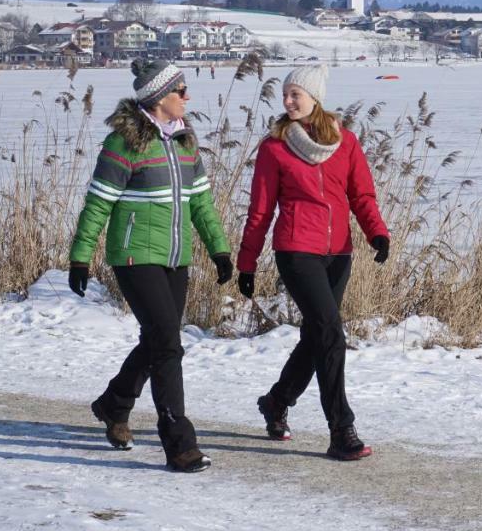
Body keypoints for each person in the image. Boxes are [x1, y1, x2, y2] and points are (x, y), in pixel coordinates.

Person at [68, 59, 232, 473]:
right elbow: (98, 203)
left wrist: (219, 250)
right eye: (180, 90)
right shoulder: (124, 143)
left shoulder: (185, 143)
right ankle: (179, 443)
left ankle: (114, 404)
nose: (187, 97)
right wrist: (80, 257)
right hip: (133, 256)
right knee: (168, 344)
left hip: (175, 257)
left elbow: (201, 204)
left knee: (159, 341)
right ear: (159, 98)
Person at [236, 65, 389, 461]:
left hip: (338, 253)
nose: (287, 101)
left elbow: (362, 196)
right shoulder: (274, 148)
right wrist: (247, 263)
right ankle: (341, 430)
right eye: (285, 94)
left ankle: (276, 402)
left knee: (316, 336)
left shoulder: (347, 143)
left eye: (295, 94)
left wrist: (377, 233)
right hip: (295, 250)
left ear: (314, 98)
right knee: (330, 332)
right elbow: (260, 211)